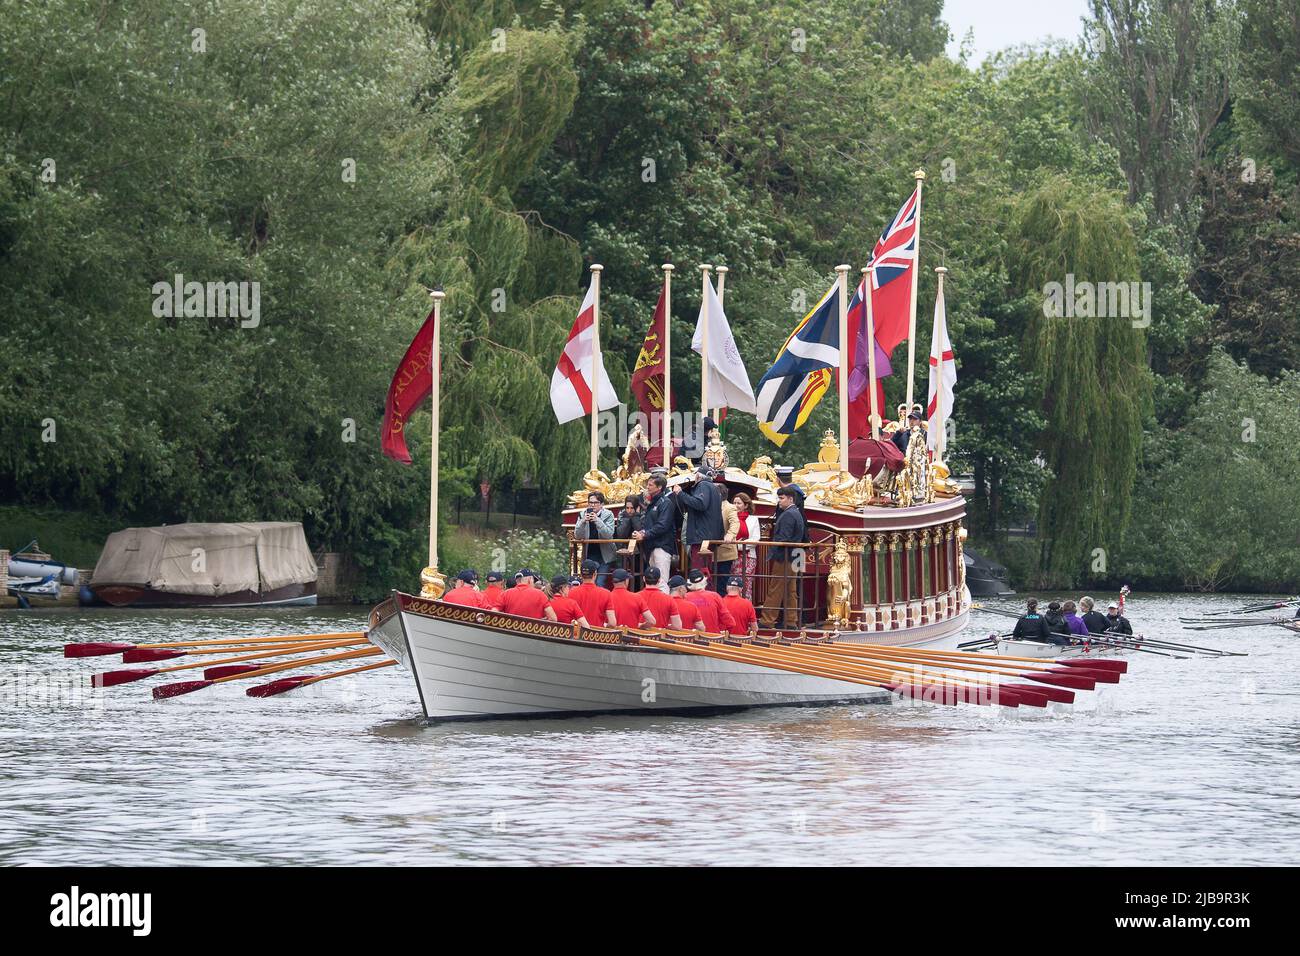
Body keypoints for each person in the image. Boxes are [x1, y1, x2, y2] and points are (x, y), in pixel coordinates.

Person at [759, 485, 806, 629]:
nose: (779, 501)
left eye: (781, 498)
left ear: (790, 499)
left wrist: (774, 546)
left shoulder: (788, 515)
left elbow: (784, 538)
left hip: (784, 556)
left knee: (776, 588)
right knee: (790, 590)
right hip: (795, 556)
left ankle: (767, 621)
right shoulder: (796, 513)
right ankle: (791, 621)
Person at [675, 467, 723, 575]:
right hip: (709, 537)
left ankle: (700, 591)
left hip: (701, 537)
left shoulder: (703, 485)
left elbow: (700, 504)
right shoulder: (714, 489)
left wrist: (680, 493)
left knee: (699, 572)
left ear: (698, 476)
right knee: (706, 571)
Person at [634, 474, 677, 591]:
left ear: (659, 487)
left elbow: (663, 525)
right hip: (652, 546)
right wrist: (643, 531)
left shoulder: (666, 503)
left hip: (662, 547)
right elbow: (650, 524)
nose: (647, 487)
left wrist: (644, 534)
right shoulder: (652, 503)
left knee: (661, 581)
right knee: (652, 584)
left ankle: (665, 608)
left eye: (650, 485)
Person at [574, 491, 617, 587]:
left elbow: (608, 535)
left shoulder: (608, 514)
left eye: (595, 503)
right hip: (589, 554)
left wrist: (597, 520)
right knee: (588, 584)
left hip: (604, 556)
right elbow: (577, 535)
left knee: (600, 583)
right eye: (590, 503)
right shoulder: (582, 514)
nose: (592, 505)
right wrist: (583, 521)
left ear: (601, 504)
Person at [708, 482, 741, 594]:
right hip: (708, 552)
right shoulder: (709, 506)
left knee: (721, 584)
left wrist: (730, 535)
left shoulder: (730, 507)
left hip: (724, 553)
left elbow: (735, 523)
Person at [685, 568, 738, 633]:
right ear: (704, 581)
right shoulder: (715, 596)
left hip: (690, 640)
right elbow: (730, 623)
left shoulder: (685, 598)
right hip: (713, 639)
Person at [732, 492, 761, 600]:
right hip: (732, 557)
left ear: (746, 505)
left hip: (748, 557)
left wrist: (738, 544)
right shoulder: (730, 518)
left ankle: (747, 612)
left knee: (746, 586)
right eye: (734, 503)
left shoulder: (753, 520)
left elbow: (755, 539)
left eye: (738, 503)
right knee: (733, 585)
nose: (735, 505)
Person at [571, 559, 616, 626]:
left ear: (581, 575)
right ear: (595, 574)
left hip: (577, 634)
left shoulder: (571, 592)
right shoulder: (606, 594)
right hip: (597, 634)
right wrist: (605, 626)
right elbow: (612, 623)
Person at [613, 494, 644, 568]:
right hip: (623, 547)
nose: (629, 511)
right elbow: (620, 534)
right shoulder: (622, 514)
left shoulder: (643, 514)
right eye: (627, 508)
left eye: (632, 508)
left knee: (638, 570)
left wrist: (635, 516)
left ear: (637, 507)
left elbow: (639, 529)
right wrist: (627, 519)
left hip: (640, 549)